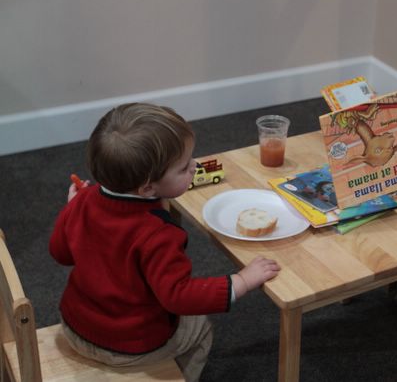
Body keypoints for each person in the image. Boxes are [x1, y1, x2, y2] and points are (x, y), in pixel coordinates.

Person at [49, 102, 281, 382]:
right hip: (130, 345)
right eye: (183, 168)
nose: (194, 166)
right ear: (147, 188)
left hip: (74, 325)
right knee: (200, 331)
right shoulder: (157, 234)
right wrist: (242, 280)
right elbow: (178, 297)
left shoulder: (83, 199)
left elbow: (60, 253)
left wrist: (70, 210)